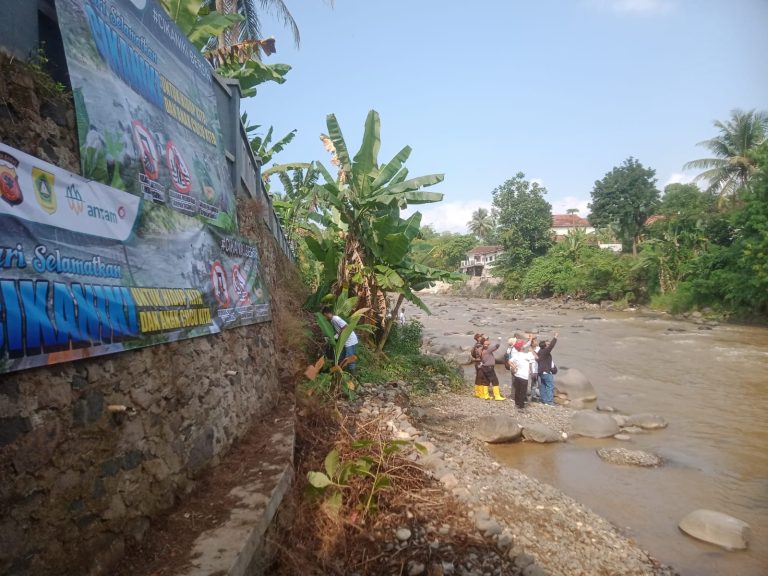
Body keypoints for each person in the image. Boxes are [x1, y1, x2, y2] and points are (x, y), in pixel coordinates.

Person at [321, 306, 359, 372]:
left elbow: (345, 326)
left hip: (349, 340)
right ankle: (338, 372)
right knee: (341, 357)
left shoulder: (336, 318)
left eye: (324, 315)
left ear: (327, 313)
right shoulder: (332, 320)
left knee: (349, 358)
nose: (325, 318)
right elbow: (339, 329)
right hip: (344, 341)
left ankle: (353, 374)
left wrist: (337, 335)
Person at [510, 339, 535, 409]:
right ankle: (521, 406)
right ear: (521, 347)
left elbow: (509, 361)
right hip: (524, 376)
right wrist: (531, 350)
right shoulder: (527, 355)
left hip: (517, 375)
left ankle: (517, 403)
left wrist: (514, 366)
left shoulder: (516, 355)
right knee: (523, 391)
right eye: (523, 345)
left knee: (517, 390)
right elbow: (535, 357)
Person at [536, 332, 559, 406]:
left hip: (541, 372)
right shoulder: (545, 351)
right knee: (550, 386)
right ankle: (549, 402)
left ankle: (544, 400)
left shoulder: (540, 351)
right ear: (545, 346)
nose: (549, 345)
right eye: (547, 344)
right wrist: (555, 337)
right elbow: (552, 346)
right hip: (546, 372)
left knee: (543, 386)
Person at [470, 333, 488, 398]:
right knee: (482, 377)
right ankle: (481, 393)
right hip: (480, 362)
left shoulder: (476, 345)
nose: (482, 337)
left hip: (477, 362)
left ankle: (477, 392)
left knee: (478, 377)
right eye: (481, 336)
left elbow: (473, 354)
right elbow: (482, 354)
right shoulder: (480, 345)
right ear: (478, 338)